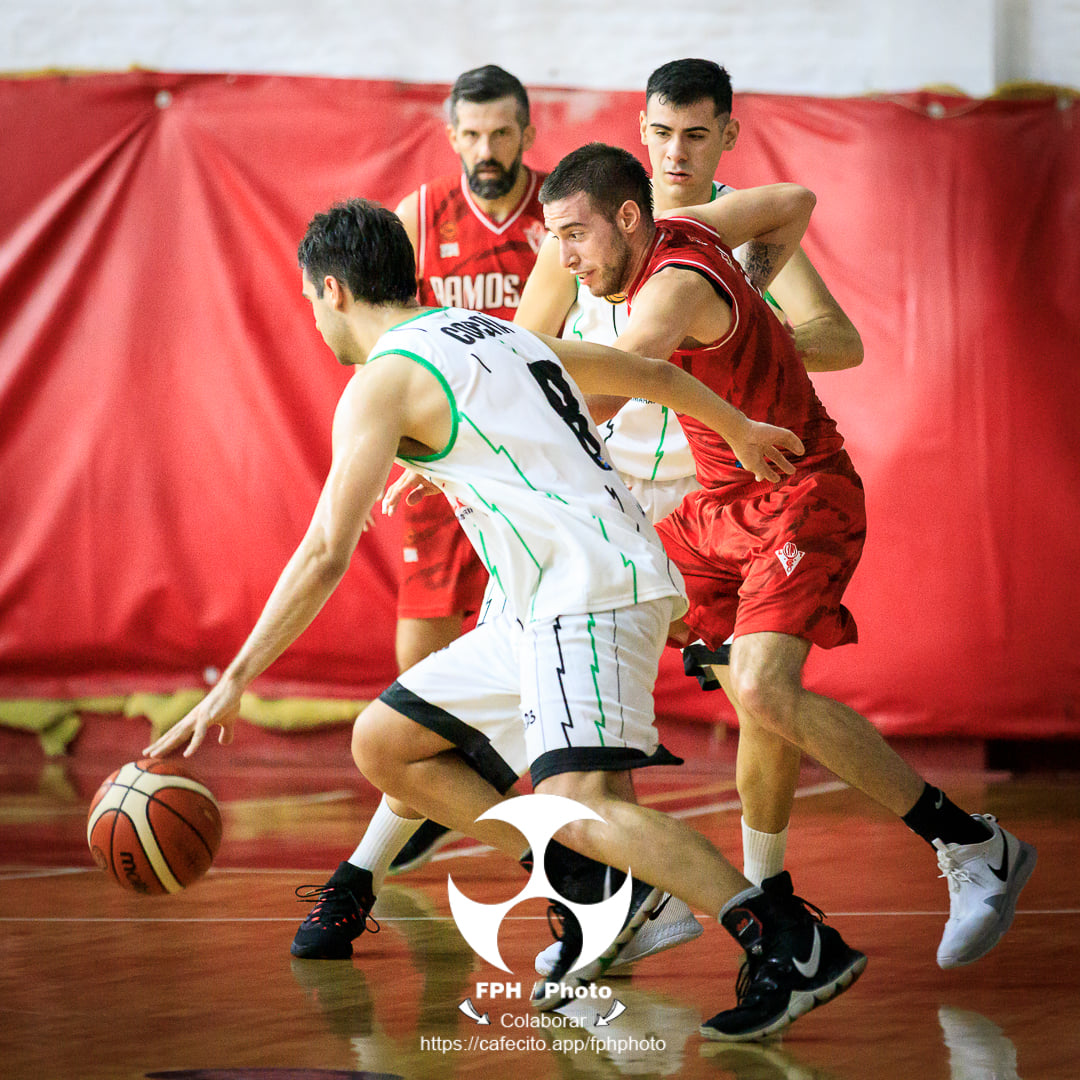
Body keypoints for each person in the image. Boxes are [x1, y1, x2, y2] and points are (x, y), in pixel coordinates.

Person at [146, 195, 868, 1042]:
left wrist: (233, 682)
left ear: (333, 289)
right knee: (385, 743)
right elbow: (652, 376)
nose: (313, 318)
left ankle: (785, 939)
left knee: (575, 796)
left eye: (308, 301)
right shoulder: (486, 331)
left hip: (586, 592)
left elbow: (323, 554)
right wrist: (738, 428)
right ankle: (602, 890)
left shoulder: (381, 380)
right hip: (536, 602)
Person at [536, 142, 1036, 1035]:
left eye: (575, 236)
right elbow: (795, 198)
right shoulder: (692, 232)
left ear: (623, 219)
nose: (565, 259)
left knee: (765, 688)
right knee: (611, 609)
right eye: (554, 240)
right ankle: (712, 900)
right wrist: (750, 289)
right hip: (718, 511)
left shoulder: (672, 287)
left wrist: (472, 397)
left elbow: (618, 386)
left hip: (802, 493)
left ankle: (970, 844)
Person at [517, 58, 864, 905]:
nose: (677, 150)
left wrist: (740, 335)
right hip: (614, 501)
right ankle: (618, 893)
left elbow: (840, 340)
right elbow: (524, 353)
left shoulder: (728, 232)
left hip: (720, 488)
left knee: (762, 696)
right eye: (662, 132)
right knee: (580, 689)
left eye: (697, 134)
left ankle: (765, 887)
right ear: (640, 132)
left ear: (727, 138)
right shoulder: (589, 227)